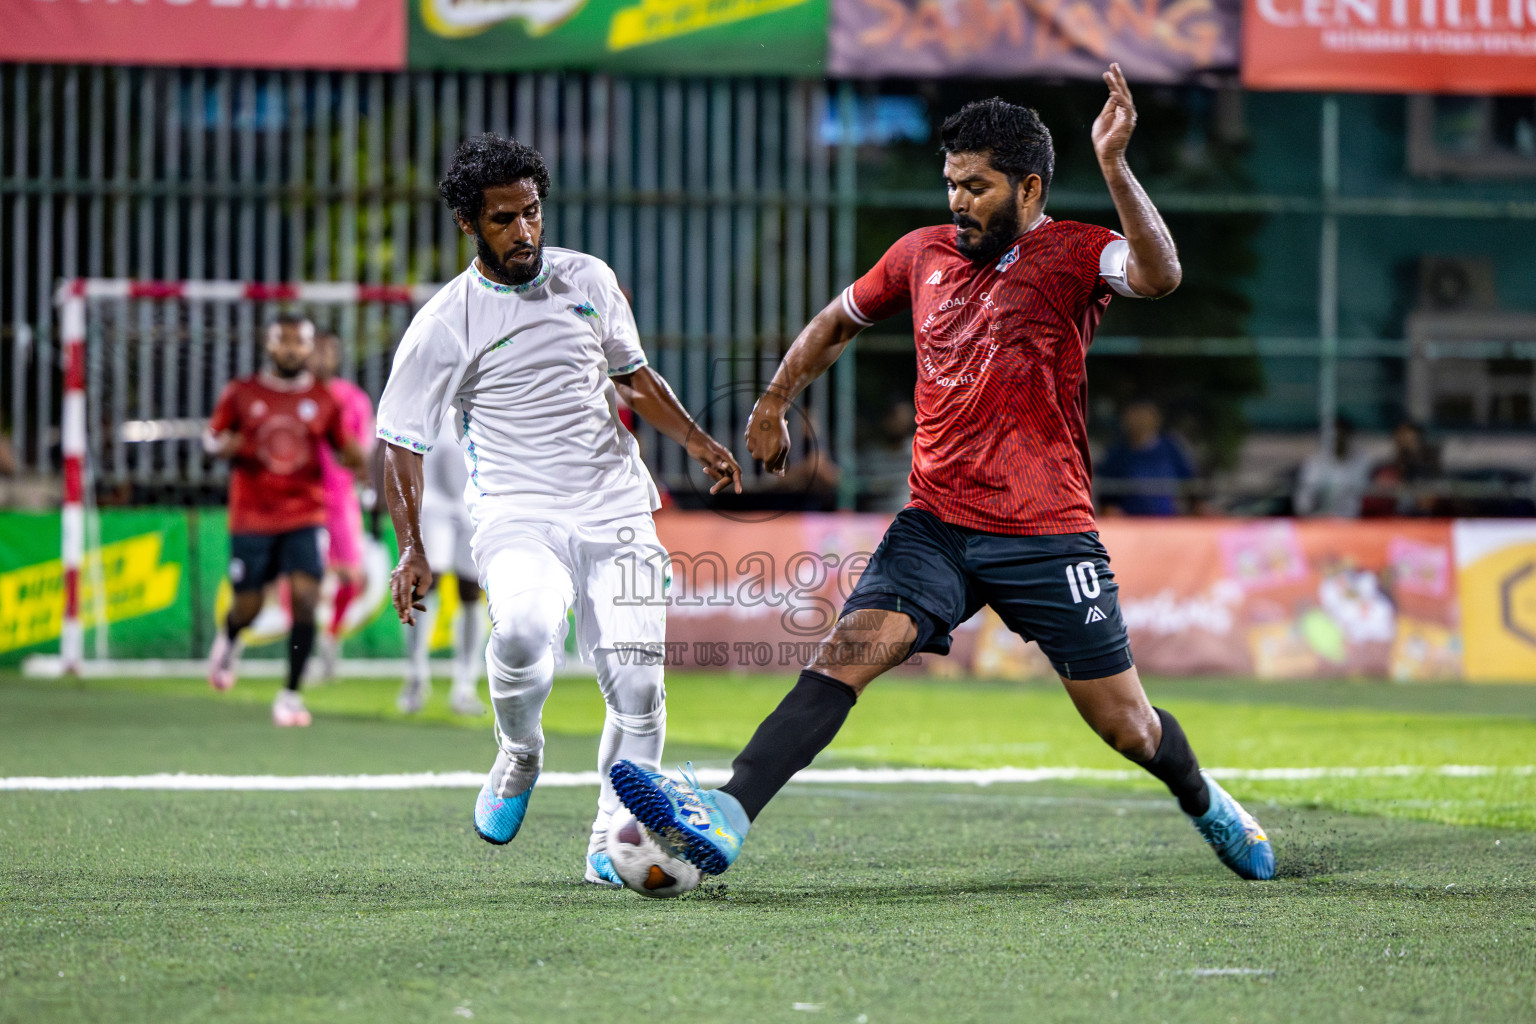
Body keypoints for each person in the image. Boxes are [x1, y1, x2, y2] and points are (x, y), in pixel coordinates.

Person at [610, 67, 1275, 884]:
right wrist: (775, 401)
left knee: (1129, 728)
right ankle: (728, 813)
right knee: (845, 654)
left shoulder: (1074, 255)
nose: (957, 201)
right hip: (936, 524)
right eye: (951, 183)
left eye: (977, 186)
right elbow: (835, 321)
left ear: (1029, 188)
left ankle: (1207, 801)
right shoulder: (920, 253)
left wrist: (1115, 168)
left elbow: (1161, 275)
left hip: (1045, 532)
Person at [376, 133, 742, 885]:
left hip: (614, 507)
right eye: (505, 219)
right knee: (525, 634)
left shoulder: (589, 279)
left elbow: (633, 378)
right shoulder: (446, 322)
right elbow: (401, 444)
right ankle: (519, 753)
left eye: (532, 212)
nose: (524, 232)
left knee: (638, 685)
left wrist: (700, 442)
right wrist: (411, 547)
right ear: (469, 225)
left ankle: (612, 836)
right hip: (516, 511)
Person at [204, 315, 367, 726]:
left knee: (307, 598)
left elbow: (344, 447)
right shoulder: (242, 393)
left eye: (301, 341)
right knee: (249, 604)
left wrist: (360, 461)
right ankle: (230, 635)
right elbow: (211, 437)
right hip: (252, 515)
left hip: (305, 514)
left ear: (310, 348)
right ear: (269, 344)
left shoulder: (324, 399)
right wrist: (227, 445)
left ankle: (291, 694)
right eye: (284, 341)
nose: (292, 348)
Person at [397, 411, 490, 717]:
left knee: (471, 590)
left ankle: (464, 685)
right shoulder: (430, 399)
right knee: (426, 582)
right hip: (432, 502)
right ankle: (416, 675)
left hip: (477, 502)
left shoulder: (488, 398)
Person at [308, 331, 375, 680]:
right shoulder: (293, 397)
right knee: (301, 576)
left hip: (341, 500)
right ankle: (302, 648)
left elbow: (364, 451)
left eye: (327, 352)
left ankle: (331, 638)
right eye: (314, 350)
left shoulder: (353, 399)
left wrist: (367, 482)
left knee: (351, 578)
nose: (320, 358)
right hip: (300, 500)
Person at [1096, 398, 1199, 516]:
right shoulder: (1116, 454)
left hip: (1170, 523)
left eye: (1142, 414)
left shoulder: (1171, 449)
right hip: (1130, 524)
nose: (1138, 420)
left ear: (1154, 417)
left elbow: (1191, 486)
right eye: (1133, 414)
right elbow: (1106, 497)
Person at [1294, 417, 1372, 517]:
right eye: (1334, 437)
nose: (1338, 439)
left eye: (1342, 435)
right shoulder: (1314, 463)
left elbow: (1365, 493)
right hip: (1319, 520)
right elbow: (1303, 502)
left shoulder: (1363, 461)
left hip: (1353, 520)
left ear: (1348, 436)